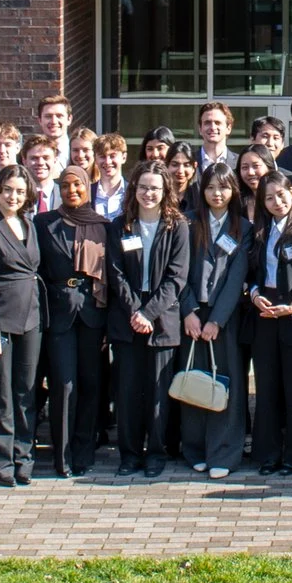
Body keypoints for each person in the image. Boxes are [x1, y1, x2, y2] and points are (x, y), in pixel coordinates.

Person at [106, 166, 189, 476]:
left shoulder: (178, 226)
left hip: (163, 321)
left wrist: (149, 312)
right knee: (127, 392)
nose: (148, 193)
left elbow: (176, 277)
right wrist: (135, 312)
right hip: (127, 320)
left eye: (155, 188)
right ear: (134, 189)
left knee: (158, 394)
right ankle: (129, 454)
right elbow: (115, 274)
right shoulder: (120, 226)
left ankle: (156, 453)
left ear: (165, 190)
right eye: (143, 187)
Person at [36, 165, 110, 477]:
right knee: (64, 385)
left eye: (78, 185)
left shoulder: (103, 225)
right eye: (65, 186)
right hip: (59, 313)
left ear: (87, 187)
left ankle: (84, 451)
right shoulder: (43, 223)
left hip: (93, 312)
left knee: (91, 384)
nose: (72, 191)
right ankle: (61, 455)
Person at [245, 171, 292, 475]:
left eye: (282, 194)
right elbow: (250, 272)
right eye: (269, 197)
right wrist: (253, 295)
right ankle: (267, 453)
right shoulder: (258, 231)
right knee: (266, 389)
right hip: (264, 313)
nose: (277, 202)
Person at [0, 166, 48, 486]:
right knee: (1, 394)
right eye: (8, 190)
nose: (13, 196)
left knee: (26, 392)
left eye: (20, 191)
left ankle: (24, 457)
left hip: (32, 318)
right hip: (1, 321)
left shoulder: (30, 225)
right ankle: (1, 461)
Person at [180, 165, 250, 480]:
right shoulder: (187, 223)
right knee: (193, 380)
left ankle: (224, 452)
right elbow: (177, 272)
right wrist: (189, 311)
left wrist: (218, 320)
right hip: (193, 316)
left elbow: (237, 278)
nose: (217, 194)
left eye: (223, 187)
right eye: (210, 188)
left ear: (233, 190)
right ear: (202, 190)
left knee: (226, 384)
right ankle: (194, 449)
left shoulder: (243, 228)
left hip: (226, 317)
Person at [89, 133, 131, 221]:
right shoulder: (88, 193)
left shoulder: (133, 193)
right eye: (102, 156)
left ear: (124, 157)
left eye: (112, 156)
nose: (107, 162)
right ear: (95, 159)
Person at [193, 100, 238, 176]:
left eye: (218, 123)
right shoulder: (189, 162)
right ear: (200, 129)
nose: (213, 127)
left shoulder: (239, 163)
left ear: (228, 128)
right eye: (207, 123)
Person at [35, 94, 75, 174]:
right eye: (48, 116)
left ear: (69, 119)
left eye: (59, 116)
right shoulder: (30, 154)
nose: (53, 121)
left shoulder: (80, 152)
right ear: (39, 120)